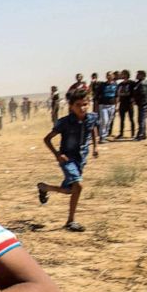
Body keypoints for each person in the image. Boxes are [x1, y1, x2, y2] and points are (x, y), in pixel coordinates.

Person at [36, 89, 99, 232]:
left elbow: (93, 129)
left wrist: (95, 147)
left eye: (85, 104)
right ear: (71, 106)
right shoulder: (64, 122)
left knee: (70, 190)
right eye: (78, 105)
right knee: (79, 186)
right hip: (67, 158)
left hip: (81, 157)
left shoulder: (91, 118)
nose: (82, 108)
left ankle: (44, 187)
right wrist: (57, 154)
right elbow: (47, 139)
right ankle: (70, 221)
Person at [96, 71, 118, 142]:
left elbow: (117, 96)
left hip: (112, 105)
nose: (109, 76)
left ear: (113, 76)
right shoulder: (102, 85)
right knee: (104, 121)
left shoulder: (115, 85)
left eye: (110, 75)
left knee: (109, 121)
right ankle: (102, 137)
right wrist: (96, 106)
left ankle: (105, 135)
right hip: (103, 105)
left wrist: (117, 106)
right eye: (108, 75)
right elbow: (97, 96)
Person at [116, 69, 135, 138]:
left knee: (131, 119)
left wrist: (133, 101)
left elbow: (134, 93)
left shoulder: (132, 83)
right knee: (122, 119)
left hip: (129, 103)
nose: (121, 75)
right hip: (122, 103)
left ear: (126, 74)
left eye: (123, 74)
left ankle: (133, 133)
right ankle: (121, 133)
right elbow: (118, 95)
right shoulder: (120, 84)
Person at [132, 70, 147, 141]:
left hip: (143, 103)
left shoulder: (142, 84)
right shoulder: (139, 83)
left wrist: (136, 100)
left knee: (141, 120)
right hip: (142, 103)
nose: (137, 75)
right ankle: (144, 134)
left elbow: (143, 94)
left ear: (142, 75)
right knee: (142, 119)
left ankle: (140, 135)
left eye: (138, 74)